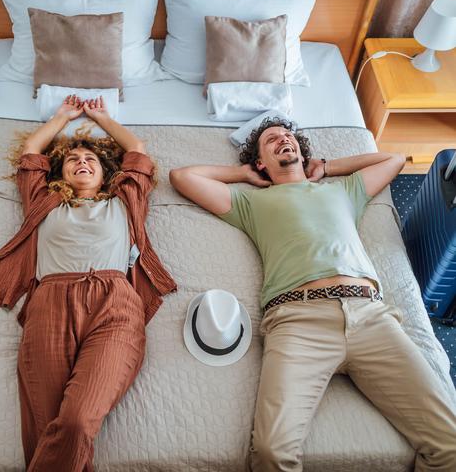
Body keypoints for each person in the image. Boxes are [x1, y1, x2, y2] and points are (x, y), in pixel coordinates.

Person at [169, 117, 456, 472]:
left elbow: (394, 159)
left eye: (288, 136)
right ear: (261, 163)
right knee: (272, 451)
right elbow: (182, 177)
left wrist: (329, 167)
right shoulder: (252, 203)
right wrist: (242, 174)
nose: (283, 140)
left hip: (370, 316)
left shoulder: (343, 191)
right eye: (271, 140)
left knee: (450, 444)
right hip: (299, 321)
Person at [0, 95, 177, 471]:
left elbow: (137, 151)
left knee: (78, 420)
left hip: (114, 303)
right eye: (72, 160)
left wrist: (102, 117)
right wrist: (62, 117)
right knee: (47, 426)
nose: (82, 162)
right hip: (51, 300)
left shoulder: (124, 201)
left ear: (105, 172)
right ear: (60, 173)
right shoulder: (44, 202)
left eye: (91, 160)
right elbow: (32, 152)